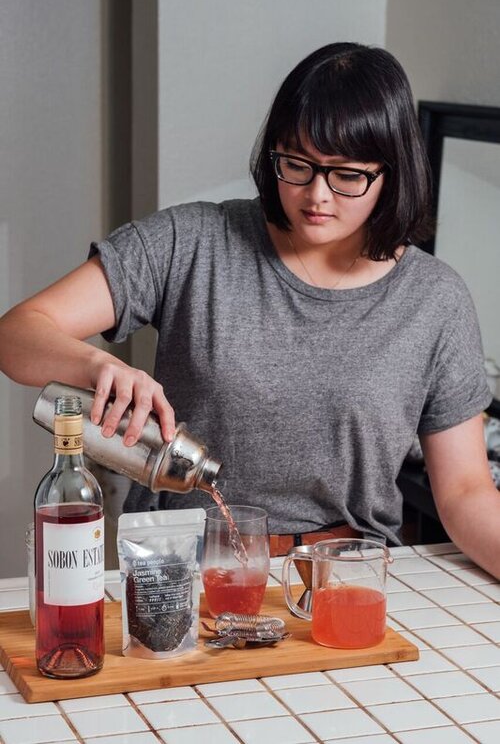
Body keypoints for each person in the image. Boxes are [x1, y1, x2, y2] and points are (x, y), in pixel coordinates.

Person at [1, 42, 499, 576]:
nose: (317, 196)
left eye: (347, 175)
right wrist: (99, 364)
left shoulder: (433, 300)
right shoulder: (192, 241)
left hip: (345, 575)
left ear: (391, 173)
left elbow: (467, 490)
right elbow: (17, 335)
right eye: (296, 165)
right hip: (179, 568)